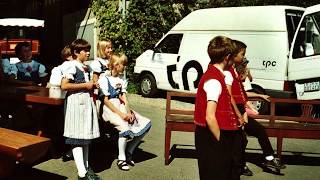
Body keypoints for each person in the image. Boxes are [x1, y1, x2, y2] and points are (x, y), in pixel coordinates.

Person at [225, 40, 285, 176]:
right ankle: (239, 166)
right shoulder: (228, 73)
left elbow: (241, 93)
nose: (244, 57)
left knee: (256, 132)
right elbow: (229, 96)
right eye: (242, 54)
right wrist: (240, 114)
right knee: (242, 140)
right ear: (234, 55)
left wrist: (260, 96)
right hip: (234, 112)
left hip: (240, 110)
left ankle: (267, 158)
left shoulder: (234, 72)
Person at [194, 35, 242, 180]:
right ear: (227, 57)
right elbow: (210, 116)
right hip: (212, 137)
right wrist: (221, 143)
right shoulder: (214, 81)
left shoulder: (216, 75)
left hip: (211, 135)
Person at [99, 54, 151, 171]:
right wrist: (122, 115)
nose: (125, 67)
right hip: (110, 110)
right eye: (123, 65)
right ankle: (121, 158)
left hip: (121, 107)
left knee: (145, 123)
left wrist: (129, 113)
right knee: (124, 128)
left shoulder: (121, 80)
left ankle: (129, 151)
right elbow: (106, 101)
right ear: (116, 66)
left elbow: (124, 98)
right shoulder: (104, 79)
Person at [61, 39, 101, 180]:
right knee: (77, 137)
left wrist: (93, 86)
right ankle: (82, 173)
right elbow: (64, 86)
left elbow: (88, 84)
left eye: (88, 49)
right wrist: (86, 85)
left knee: (85, 137)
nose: (88, 52)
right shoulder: (72, 66)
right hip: (76, 104)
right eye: (85, 50)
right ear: (77, 52)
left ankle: (86, 168)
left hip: (85, 103)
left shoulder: (86, 67)